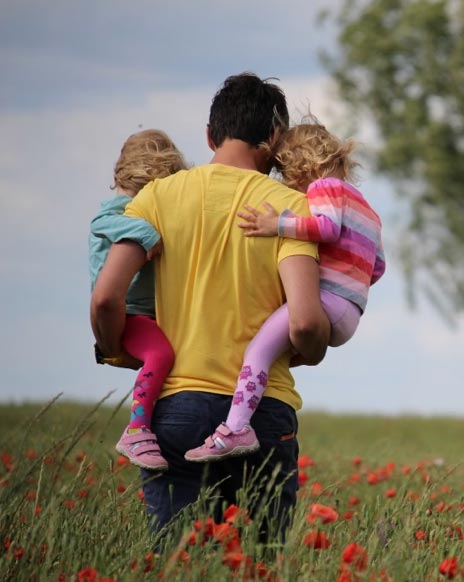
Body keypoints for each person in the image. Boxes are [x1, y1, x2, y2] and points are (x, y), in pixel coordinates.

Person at [90, 72, 330, 542]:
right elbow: (303, 321)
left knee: (179, 562)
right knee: (259, 565)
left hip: (176, 408)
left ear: (209, 135)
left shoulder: (157, 197)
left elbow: (105, 297)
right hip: (262, 413)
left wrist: (115, 346)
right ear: (275, 138)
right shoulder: (291, 210)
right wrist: (315, 347)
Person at [184, 117, 386, 462]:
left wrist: (276, 225)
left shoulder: (325, 188)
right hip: (351, 311)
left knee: (257, 351)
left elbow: (326, 228)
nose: (287, 181)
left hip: (327, 301)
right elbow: (378, 266)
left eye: (287, 171)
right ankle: (245, 411)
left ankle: (235, 429)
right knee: (274, 353)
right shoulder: (367, 209)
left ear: (304, 163)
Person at [89, 129, 186, 471]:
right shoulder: (119, 210)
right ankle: (137, 429)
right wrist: (147, 234)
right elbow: (102, 222)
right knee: (160, 354)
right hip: (129, 313)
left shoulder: (136, 207)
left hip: (146, 313)